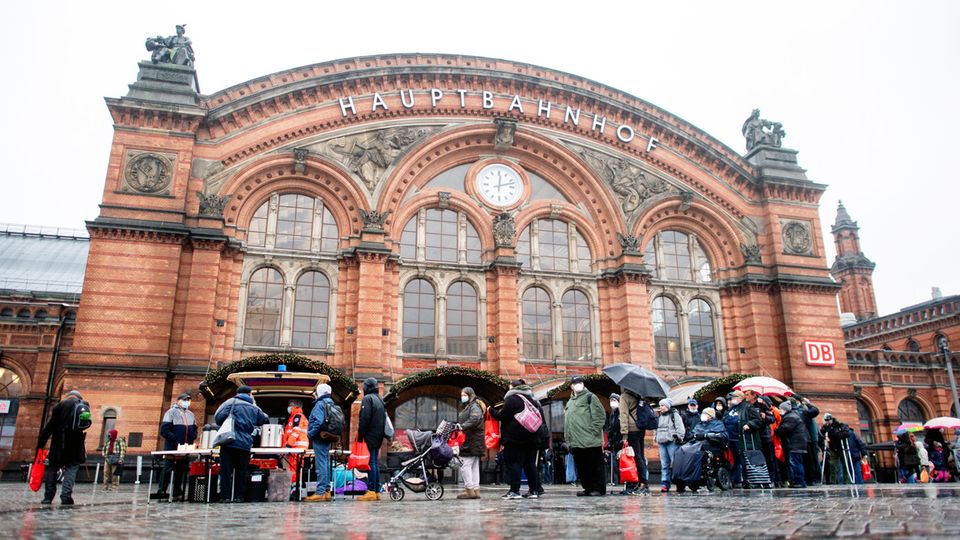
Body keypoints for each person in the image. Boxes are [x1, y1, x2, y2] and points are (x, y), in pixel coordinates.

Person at [489, 379, 543, 499]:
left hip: (515, 439)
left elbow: (502, 416)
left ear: (513, 388)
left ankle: (514, 491)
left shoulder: (512, 399)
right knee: (530, 465)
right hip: (532, 438)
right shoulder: (533, 399)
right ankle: (534, 490)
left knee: (514, 465)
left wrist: (490, 410)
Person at [215, 385, 269, 502]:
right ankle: (239, 496)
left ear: (237, 393)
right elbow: (264, 419)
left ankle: (225, 497)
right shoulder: (253, 407)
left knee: (225, 471)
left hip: (228, 441)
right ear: (250, 394)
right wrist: (255, 404)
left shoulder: (229, 403)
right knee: (241, 471)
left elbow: (218, 418)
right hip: (244, 443)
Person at [38, 390, 89, 505]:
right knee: (71, 469)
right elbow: (85, 424)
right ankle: (66, 496)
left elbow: (49, 427)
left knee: (52, 469)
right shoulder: (82, 405)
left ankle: (48, 497)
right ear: (79, 397)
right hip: (75, 444)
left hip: (57, 444)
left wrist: (41, 444)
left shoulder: (58, 406)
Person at [563, 376, 607, 497]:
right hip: (576, 441)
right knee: (583, 467)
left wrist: (593, 432)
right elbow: (568, 421)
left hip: (591, 440)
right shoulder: (570, 401)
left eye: (580, 382)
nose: (578, 385)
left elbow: (600, 416)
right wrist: (568, 438)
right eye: (575, 383)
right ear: (571, 386)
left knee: (595, 466)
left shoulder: (590, 397)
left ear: (583, 384)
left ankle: (598, 489)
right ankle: (588, 488)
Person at [158, 392, 198, 501]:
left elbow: (194, 428)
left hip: (185, 447)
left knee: (180, 470)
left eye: (188, 400)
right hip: (172, 447)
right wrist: (175, 439)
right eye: (185, 400)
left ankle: (177, 492)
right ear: (179, 401)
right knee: (167, 468)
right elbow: (164, 430)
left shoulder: (190, 414)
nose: (187, 402)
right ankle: (162, 491)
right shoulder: (171, 412)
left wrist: (192, 438)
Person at [305, 384, 340, 502]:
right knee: (325, 462)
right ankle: (327, 491)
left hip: (319, 437)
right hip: (327, 437)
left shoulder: (319, 404)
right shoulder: (331, 403)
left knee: (321, 464)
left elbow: (318, 422)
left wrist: (310, 433)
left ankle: (320, 492)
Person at [357, 377, 386, 501]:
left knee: (371, 463)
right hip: (378, 435)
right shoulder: (379, 399)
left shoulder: (367, 399)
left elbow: (365, 418)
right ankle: (376, 491)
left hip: (370, 435)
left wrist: (360, 435)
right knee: (375, 462)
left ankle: (371, 490)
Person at [619, 389, 653, 495]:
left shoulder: (624, 397)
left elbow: (623, 415)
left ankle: (643, 484)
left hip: (632, 430)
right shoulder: (639, 395)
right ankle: (640, 483)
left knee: (636, 457)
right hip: (640, 428)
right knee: (640, 456)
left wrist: (624, 433)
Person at [724, 390, 761, 487]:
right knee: (734, 460)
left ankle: (747, 480)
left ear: (740, 398)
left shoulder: (748, 407)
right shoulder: (732, 408)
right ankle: (734, 480)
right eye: (732, 398)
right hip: (730, 438)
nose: (732, 399)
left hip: (742, 439)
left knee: (744, 460)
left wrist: (749, 424)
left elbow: (757, 420)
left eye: (734, 397)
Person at [456, 386, 485, 499]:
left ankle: (469, 490)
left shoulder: (474, 406)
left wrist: (461, 426)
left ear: (470, 395)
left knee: (465, 464)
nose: (462, 397)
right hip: (474, 439)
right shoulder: (471, 405)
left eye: (464, 395)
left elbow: (474, 419)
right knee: (473, 466)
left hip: (471, 439)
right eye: (461, 395)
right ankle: (475, 490)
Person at [775, 401, 808, 488]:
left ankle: (799, 482)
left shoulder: (790, 417)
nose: (779, 410)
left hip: (795, 444)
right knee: (797, 463)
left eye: (780, 409)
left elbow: (785, 428)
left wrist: (776, 430)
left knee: (795, 463)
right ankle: (798, 481)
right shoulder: (793, 416)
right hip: (798, 443)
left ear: (785, 409)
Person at [654, 398, 685, 492]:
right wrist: (655, 437)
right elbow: (656, 428)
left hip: (672, 442)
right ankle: (665, 484)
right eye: (660, 405)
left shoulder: (674, 415)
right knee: (664, 464)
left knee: (675, 463)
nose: (661, 407)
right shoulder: (659, 416)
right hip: (661, 443)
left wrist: (679, 437)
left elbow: (680, 427)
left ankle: (679, 483)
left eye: (662, 405)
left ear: (667, 406)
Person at [750, 393, 779, 487]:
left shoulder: (763, 405)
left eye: (748, 395)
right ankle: (759, 480)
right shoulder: (748, 406)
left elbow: (772, 419)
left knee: (768, 459)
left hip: (764, 436)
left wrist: (765, 417)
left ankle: (771, 479)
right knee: (756, 459)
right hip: (753, 436)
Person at [819, 413, 852, 484]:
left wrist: (837, 434)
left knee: (844, 464)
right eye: (826, 421)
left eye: (828, 420)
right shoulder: (826, 427)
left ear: (831, 419)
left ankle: (846, 480)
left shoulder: (839, 425)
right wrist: (825, 436)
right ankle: (833, 481)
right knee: (832, 464)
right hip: (832, 448)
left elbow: (847, 433)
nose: (827, 422)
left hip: (842, 448)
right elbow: (821, 434)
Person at [282, 399, 309, 485]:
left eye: (290, 406)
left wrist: (288, 445)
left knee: (294, 467)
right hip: (295, 446)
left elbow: (295, 431)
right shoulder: (294, 417)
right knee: (294, 467)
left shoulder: (298, 417)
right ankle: (295, 485)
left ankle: (295, 486)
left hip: (296, 446)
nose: (289, 408)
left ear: (294, 407)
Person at [605, 393, 623, 485]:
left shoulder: (621, 413)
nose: (612, 402)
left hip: (620, 439)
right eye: (611, 400)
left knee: (621, 460)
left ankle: (620, 479)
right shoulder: (612, 414)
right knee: (614, 461)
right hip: (614, 440)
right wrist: (610, 440)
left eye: (614, 400)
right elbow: (611, 428)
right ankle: (615, 480)